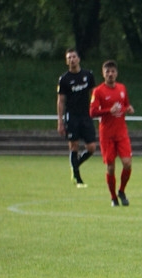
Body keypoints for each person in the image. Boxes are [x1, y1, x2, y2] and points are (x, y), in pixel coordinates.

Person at [89, 60, 134, 206]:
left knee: (127, 163)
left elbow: (125, 104)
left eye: (113, 71)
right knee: (111, 167)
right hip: (107, 134)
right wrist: (108, 111)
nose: (110, 74)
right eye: (107, 72)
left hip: (121, 132)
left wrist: (128, 109)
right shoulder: (98, 91)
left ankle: (121, 190)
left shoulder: (122, 88)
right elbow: (92, 112)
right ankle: (113, 197)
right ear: (103, 74)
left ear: (116, 73)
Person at [57, 48, 97, 188]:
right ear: (66, 61)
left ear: (79, 59)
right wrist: (60, 121)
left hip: (86, 115)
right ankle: (78, 178)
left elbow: (94, 94)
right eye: (69, 58)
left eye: (74, 57)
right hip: (72, 116)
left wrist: (97, 109)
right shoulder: (64, 79)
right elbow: (61, 101)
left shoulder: (88, 75)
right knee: (74, 146)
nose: (72, 60)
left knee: (91, 147)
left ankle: (75, 166)